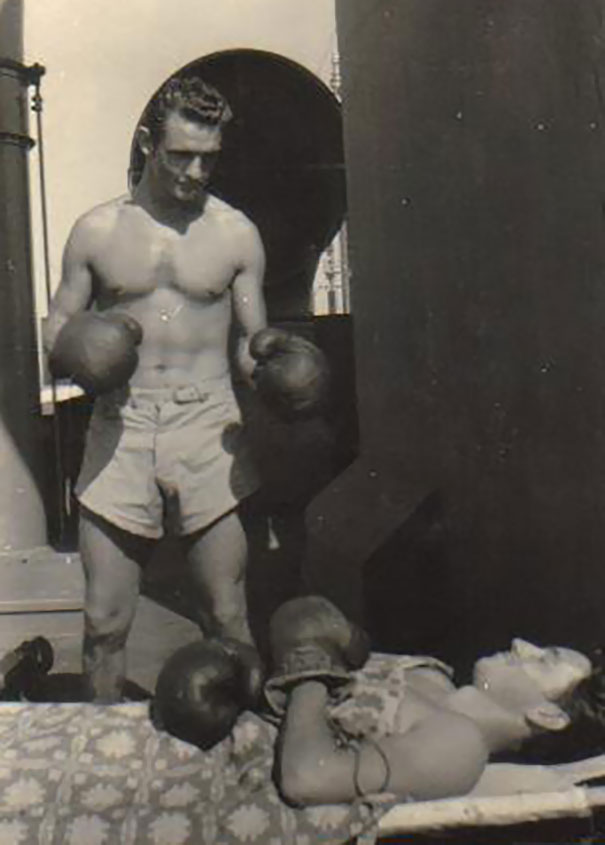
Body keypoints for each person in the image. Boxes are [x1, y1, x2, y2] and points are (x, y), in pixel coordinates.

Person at [43, 75, 268, 703]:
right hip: (123, 427)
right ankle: (109, 772)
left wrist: (275, 369)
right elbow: (58, 327)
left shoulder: (235, 233)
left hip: (208, 427)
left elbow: (254, 342)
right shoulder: (96, 231)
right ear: (147, 144)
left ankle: (243, 770)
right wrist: (79, 349)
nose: (196, 172)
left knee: (226, 616)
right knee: (104, 623)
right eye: (181, 155)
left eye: (210, 157)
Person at [265, 596, 599, 806]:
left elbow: (308, 779)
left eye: (544, 660)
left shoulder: (457, 745)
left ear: (548, 715)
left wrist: (310, 665)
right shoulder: (426, 671)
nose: (520, 644)